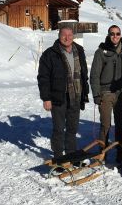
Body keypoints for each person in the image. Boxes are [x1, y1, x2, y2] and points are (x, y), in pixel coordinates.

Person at [37, 26, 90, 157]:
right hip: (58, 97)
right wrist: (46, 98)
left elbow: (84, 73)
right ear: (59, 36)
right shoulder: (50, 54)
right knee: (59, 128)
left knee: (72, 128)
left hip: (76, 95)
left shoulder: (79, 50)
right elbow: (43, 78)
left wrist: (85, 92)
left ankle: (71, 154)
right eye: (64, 35)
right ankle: (58, 156)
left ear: (73, 36)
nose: (67, 38)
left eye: (70, 35)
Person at [90, 25, 122, 163]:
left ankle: (121, 153)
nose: (115, 36)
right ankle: (102, 154)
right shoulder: (101, 52)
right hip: (106, 92)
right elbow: (94, 75)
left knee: (120, 124)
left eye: (117, 33)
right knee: (106, 125)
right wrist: (96, 94)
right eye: (112, 33)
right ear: (108, 35)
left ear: (121, 35)